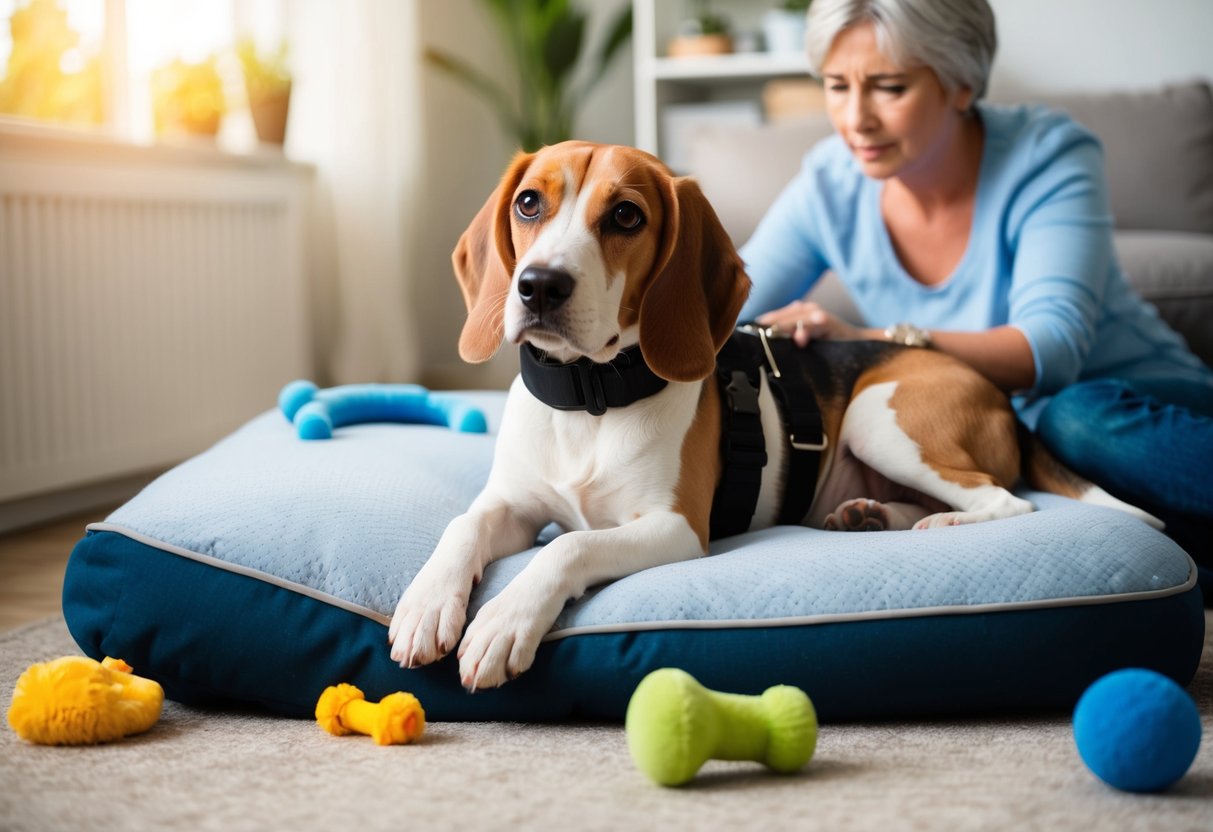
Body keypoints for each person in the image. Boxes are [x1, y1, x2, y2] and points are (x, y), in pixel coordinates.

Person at [739, 0, 1213, 577]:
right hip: (1007, 452)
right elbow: (729, 298)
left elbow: (1050, 351)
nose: (855, 117)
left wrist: (868, 338)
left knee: (1072, 417)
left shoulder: (1048, 155)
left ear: (961, 84)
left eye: (889, 87)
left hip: (1136, 410)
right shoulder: (829, 183)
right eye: (836, 86)